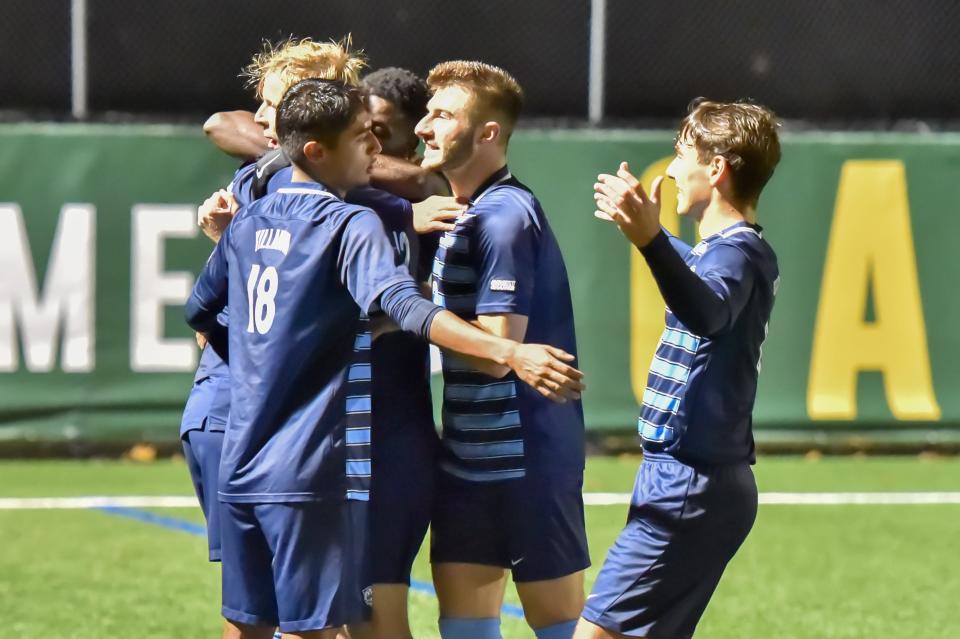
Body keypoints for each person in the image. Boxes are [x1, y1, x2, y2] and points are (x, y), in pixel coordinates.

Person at [185, 78, 585, 639]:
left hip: (244, 462)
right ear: (318, 151)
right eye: (361, 138)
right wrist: (508, 351)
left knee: (247, 625)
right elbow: (402, 302)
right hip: (308, 469)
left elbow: (202, 310)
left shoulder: (246, 222)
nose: (377, 152)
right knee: (314, 630)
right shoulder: (352, 223)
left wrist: (272, 351)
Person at [577, 99, 782, 639]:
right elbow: (695, 278)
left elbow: (708, 312)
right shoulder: (724, 251)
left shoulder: (736, 253)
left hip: (690, 482)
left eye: (681, 153)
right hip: (689, 479)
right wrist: (647, 232)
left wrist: (649, 238)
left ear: (716, 169)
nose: (670, 168)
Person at [414, 61, 589, 639]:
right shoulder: (467, 214)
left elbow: (496, 352)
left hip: (527, 460)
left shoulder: (504, 217)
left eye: (442, 115)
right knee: (463, 629)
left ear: (487, 133)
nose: (423, 127)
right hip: (467, 457)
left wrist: (408, 319)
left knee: (559, 628)